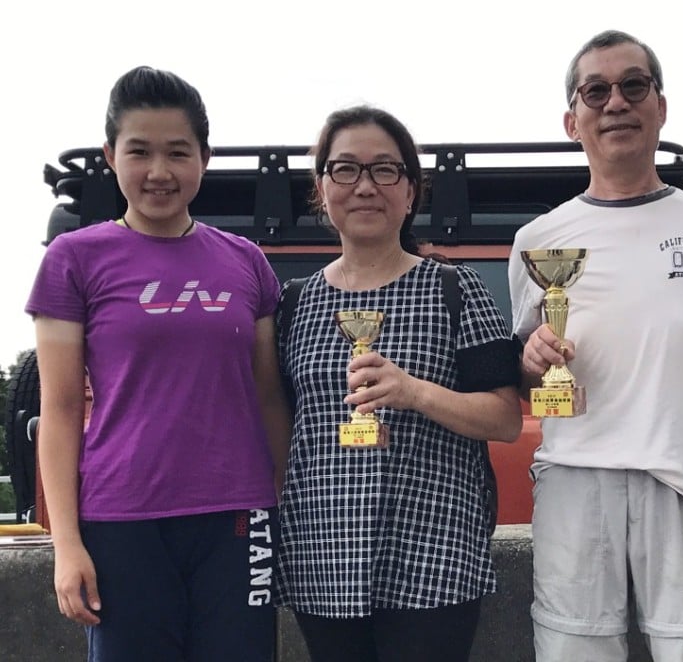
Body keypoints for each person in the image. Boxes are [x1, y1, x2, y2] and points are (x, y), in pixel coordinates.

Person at [508, 30, 683, 661]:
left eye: (633, 85)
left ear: (660, 106)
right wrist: (532, 361)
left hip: (682, 483)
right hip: (572, 482)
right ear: (573, 119)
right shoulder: (537, 240)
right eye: (596, 90)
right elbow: (529, 384)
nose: (615, 101)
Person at [27, 66, 291, 661]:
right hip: (122, 519)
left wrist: (276, 502)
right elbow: (62, 408)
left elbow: (268, 396)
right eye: (139, 152)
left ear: (204, 157)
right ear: (109, 155)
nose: (159, 172)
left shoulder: (245, 262)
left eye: (178, 152)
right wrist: (66, 543)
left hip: (236, 518)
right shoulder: (75, 260)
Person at [274, 105, 522, 662]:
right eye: (345, 170)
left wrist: (413, 392)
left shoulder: (455, 290)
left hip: (433, 556)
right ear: (321, 189)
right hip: (323, 558)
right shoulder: (292, 303)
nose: (365, 186)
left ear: (411, 191)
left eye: (385, 170)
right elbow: (281, 430)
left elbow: (506, 418)